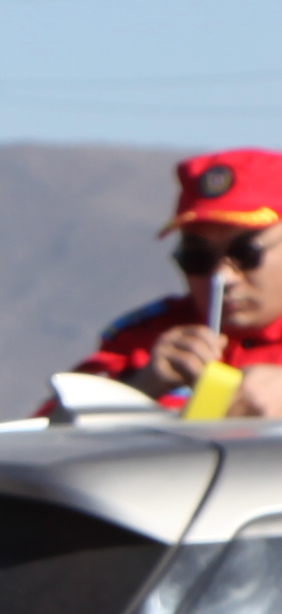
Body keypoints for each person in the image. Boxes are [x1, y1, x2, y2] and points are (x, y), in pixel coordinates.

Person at [48, 148, 282, 416]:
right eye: (197, 258)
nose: (222, 277)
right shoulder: (141, 342)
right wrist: (142, 387)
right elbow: (41, 441)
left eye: (246, 254)